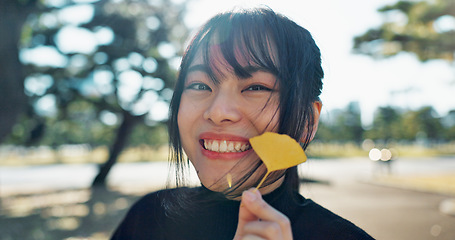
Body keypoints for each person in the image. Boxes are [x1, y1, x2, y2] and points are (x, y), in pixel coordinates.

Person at [111, 7, 374, 240]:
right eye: (200, 85)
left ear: (307, 120)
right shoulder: (146, 219)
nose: (218, 112)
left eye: (255, 87)